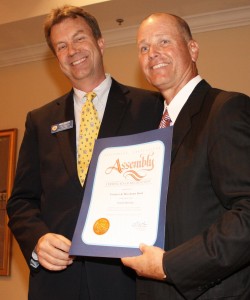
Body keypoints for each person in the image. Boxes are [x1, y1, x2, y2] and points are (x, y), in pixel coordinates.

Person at [7, 6, 163, 300]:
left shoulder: (150, 106)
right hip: (56, 283)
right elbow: (21, 201)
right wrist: (37, 239)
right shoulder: (40, 121)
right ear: (56, 58)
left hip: (127, 281)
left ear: (100, 42)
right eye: (61, 46)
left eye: (79, 39)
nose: (72, 51)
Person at [121, 12, 250, 300]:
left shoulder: (224, 109)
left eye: (163, 42)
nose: (152, 54)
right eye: (143, 48)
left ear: (193, 49)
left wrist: (170, 265)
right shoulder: (153, 130)